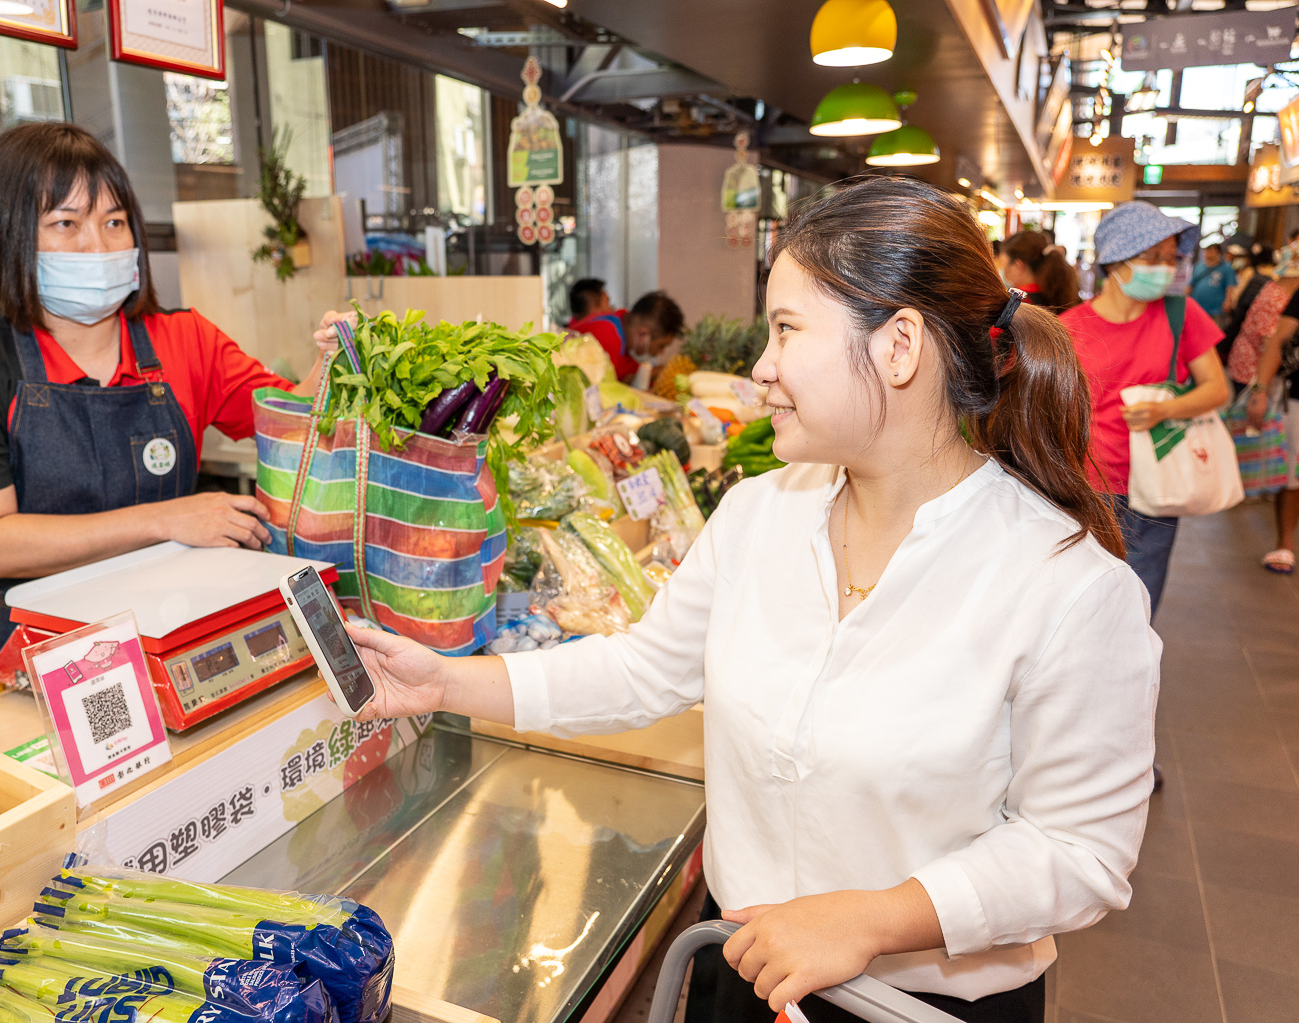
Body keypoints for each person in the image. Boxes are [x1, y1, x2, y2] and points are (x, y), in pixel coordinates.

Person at [343, 177, 1159, 1023]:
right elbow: (645, 668)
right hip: (738, 971)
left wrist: (876, 915)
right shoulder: (760, 513)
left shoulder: (1068, 587)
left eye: (786, 330)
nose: (760, 368)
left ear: (900, 347)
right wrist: (445, 682)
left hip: (916, 1007)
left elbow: (1079, 851)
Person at [0, 122, 327, 664]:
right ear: (5, 234)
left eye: (114, 221)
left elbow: (295, 427)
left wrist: (334, 362)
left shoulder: (185, 339)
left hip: (166, 632)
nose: (97, 245)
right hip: (15, 657)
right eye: (65, 222)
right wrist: (165, 519)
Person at [1059, 202, 1230, 618]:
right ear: (1115, 261)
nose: (1165, 268)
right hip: (1088, 485)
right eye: (1152, 257)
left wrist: (1165, 410)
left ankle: (1128, 679)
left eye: (1171, 258)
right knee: (1080, 600)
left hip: (1158, 480)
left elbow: (1216, 389)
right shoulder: (1068, 328)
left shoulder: (1180, 314)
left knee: (1140, 598)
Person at [1237, 284, 1299, 572]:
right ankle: (1285, 543)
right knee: (1292, 475)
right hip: (1296, 397)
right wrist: (1260, 389)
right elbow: (1278, 340)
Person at [567, 278, 635, 382]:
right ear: (594, 309)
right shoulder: (604, 331)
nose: (612, 309)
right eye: (607, 302)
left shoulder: (571, 332)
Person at [1219, 241, 1274, 365]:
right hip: (1263, 326)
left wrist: (1232, 305)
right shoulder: (1275, 274)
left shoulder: (1250, 272)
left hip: (1243, 319)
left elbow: (1238, 295)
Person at [1000, 230, 1081, 312]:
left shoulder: (1018, 302)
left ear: (1018, 266)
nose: (1003, 270)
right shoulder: (1053, 294)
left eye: (1005, 265)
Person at [624, 290, 687, 392]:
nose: (661, 352)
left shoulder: (624, 340)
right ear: (643, 334)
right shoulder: (605, 336)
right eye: (661, 346)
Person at [1189, 243, 1237, 323]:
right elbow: (1191, 284)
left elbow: (1230, 285)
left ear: (1218, 253)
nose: (1208, 253)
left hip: (1216, 308)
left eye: (1211, 250)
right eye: (1207, 250)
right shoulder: (1199, 266)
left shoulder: (1226, 267)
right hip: (1197, 306)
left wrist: (1228, 300)